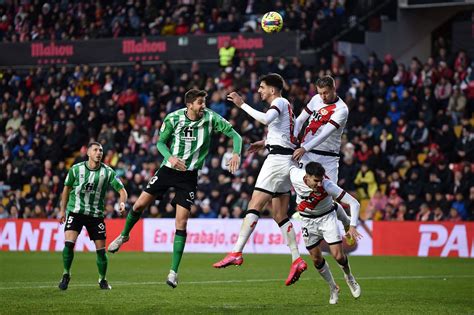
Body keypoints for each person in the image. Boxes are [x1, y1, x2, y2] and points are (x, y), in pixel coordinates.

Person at [107, 89, 242, 288]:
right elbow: (160, 143)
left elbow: (236, 136)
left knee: (181, 222)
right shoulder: (173, 118)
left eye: (204, 102)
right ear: (189, 105)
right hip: (168, 169)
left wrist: (236, 153)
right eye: (199, 103)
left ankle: (173, 272)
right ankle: (124, 235)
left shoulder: (211, 118)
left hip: (188, 176)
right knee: (138, 206)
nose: (203, 106)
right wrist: (170, 157)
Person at [213, 73, 308, 286]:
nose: (259, 91)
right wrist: (265, 142)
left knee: (254, 204)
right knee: (279, 214)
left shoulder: (280, 102)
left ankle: (236, 252)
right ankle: (296, 259)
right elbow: (285, 136)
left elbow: (266, 119)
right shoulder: (287, 106)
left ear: (273, 90)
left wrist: (242, 104)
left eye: (262, 87)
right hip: (286, 160)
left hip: (276, 162)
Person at [58, 142, 128, 291]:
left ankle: (102, 279)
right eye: (95, 150)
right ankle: (66, 274)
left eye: (101, 150)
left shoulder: (107, 172)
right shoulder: (76, 169)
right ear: (88, 153)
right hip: (75, 212)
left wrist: (122, 203)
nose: (99, 153)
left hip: (95, 215)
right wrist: (62, 210)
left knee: (101, 251)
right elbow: (66, 189)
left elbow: (122, 190)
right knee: (69, 243)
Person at [292, 75, 353, 243]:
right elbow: (300, 120)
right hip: (309, 153)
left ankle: (346, 222)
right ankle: (302, 211)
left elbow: (325, 134)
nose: (323, 96)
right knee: (304, 185)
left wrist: (304, 147)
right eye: (320, 93)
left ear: (334, 89)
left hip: (328, 157)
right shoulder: (315, 99)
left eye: (326, 93)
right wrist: (294, 136)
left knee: (328, 194)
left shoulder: (341, 109)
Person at [290, 161, 362, 304]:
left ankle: (349, 277)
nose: (318, 184)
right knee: (316, 259)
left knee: (339, 256)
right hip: (307, 221)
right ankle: (333, 287)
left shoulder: (327, 185)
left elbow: (355, 203)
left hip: (326, 218)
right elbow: (286, 164)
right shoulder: (295, 176)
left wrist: (353, 226)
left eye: (320, 180)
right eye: (315, 181)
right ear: (307, 177)